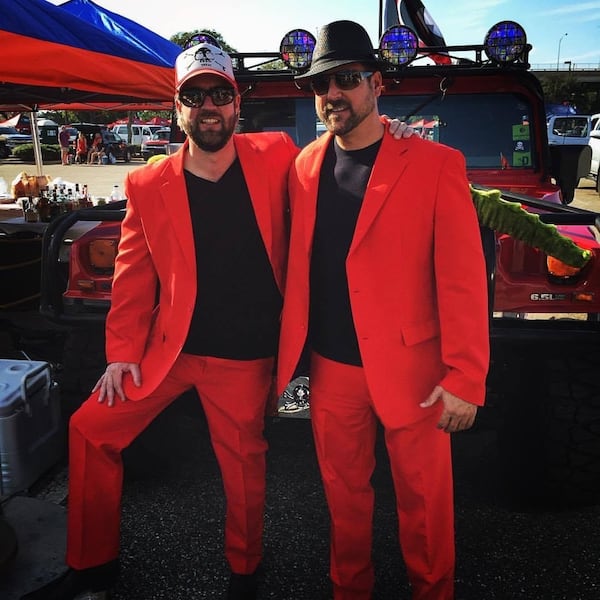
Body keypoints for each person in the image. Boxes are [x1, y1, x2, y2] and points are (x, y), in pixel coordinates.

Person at [20, 41, 413, 600]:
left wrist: (388, 132)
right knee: (89, 430)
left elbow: (341, 150)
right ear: (176, 107)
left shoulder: (277, 153)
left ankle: (245, 567)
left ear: (236, 104)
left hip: (245, 356)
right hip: (168, 352)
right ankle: (92, 564)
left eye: (220, 93)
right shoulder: (146, 184)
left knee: (243, 464)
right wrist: (121, 353)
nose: (209, 105)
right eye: (194, 94)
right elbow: (133, 277)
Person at [277, 20, 490, 600]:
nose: (332, 95)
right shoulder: (302, 168)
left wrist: (466, 376)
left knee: (424, 504)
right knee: (344, 500)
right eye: (321, 84)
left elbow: (465, 280)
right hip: (332, 369)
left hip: (414, 370)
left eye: (346, 79)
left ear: (376, 84)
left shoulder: (436, 164)